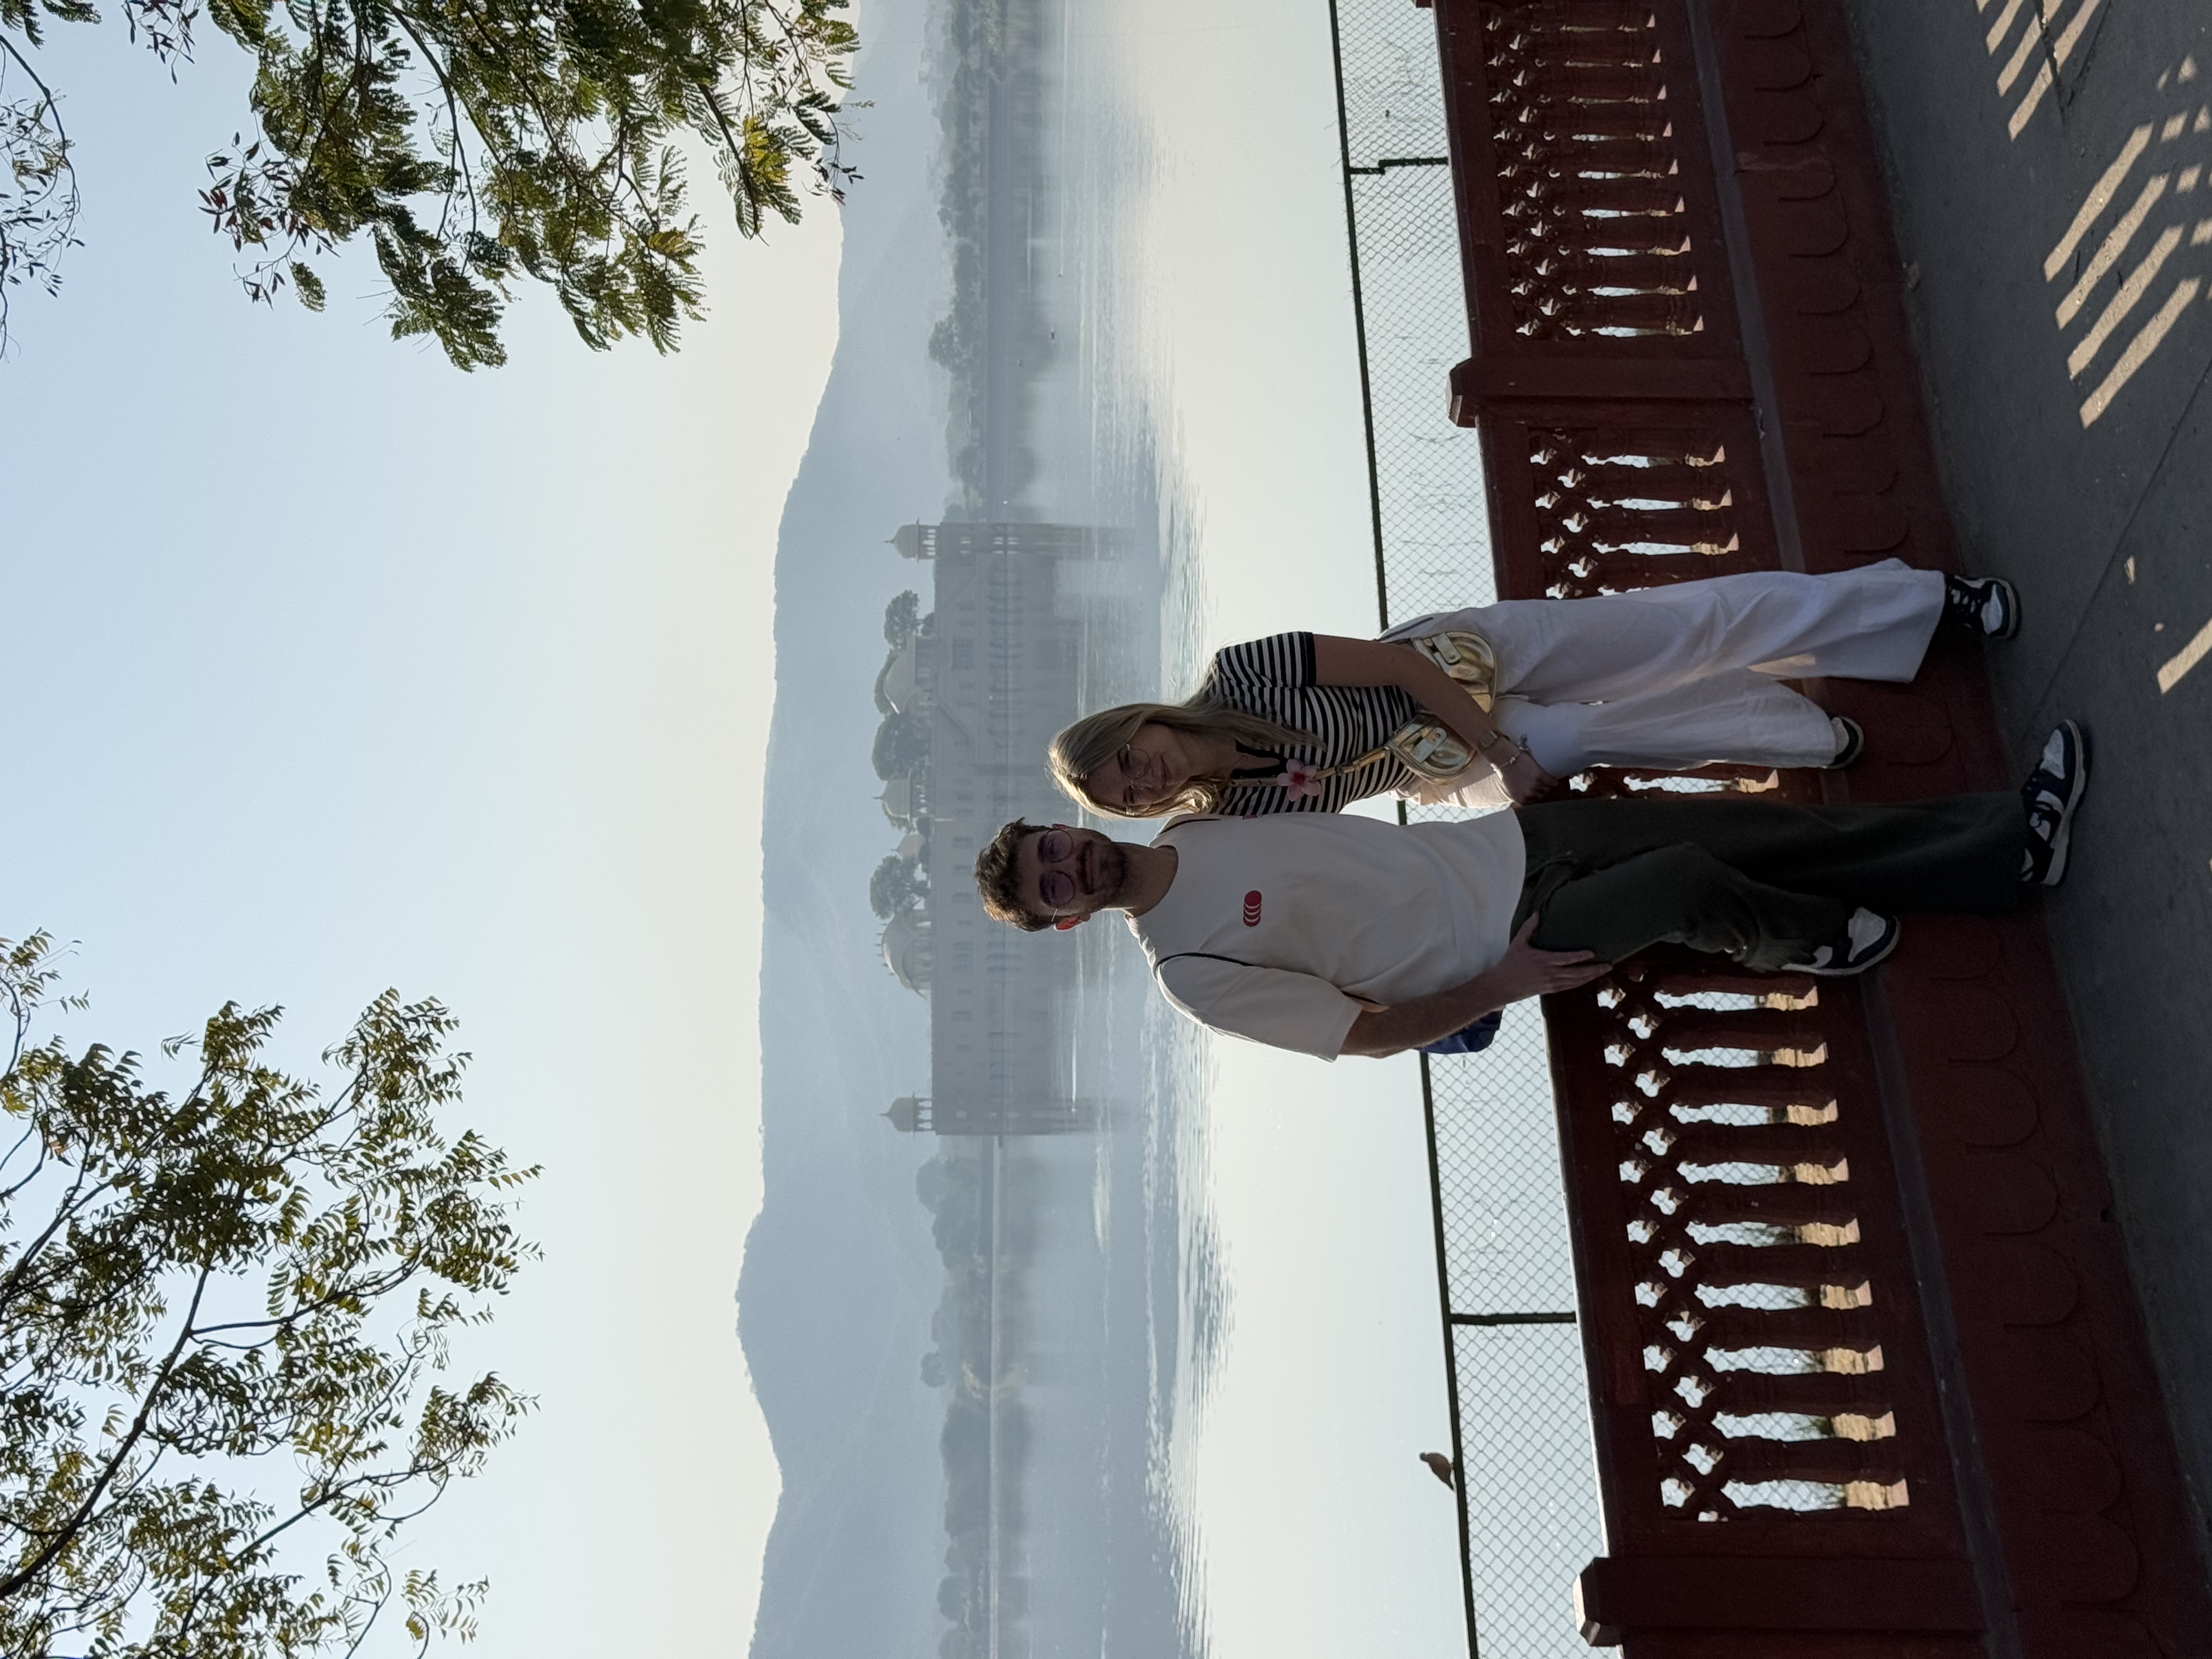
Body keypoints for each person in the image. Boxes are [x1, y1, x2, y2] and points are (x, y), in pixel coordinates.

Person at [977, 724, 2087, 1061]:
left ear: (1075, 829)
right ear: (1068, 917)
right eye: (1052, 886)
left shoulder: (1196, 824)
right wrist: (1500, 979)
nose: (1068, 864)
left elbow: (1324, 790)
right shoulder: (1193, 976)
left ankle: (2002, 846)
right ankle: (1805, 940)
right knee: (1697, 884)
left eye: (1056, 848)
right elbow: (1359, 1036)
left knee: (1765, 826)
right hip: (1517, 933)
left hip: (1514, 841)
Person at [1050, 562, 2020, 817]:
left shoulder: (1241, 672)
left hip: (1464, 665)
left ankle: (1928, 607)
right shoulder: (1237, 811)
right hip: (1445, 761)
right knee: (1586, 742)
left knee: (1689, 627)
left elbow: (1397, 668)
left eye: (1127, 758)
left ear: (1137, 720)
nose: (1144, 778)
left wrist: (1503, 748)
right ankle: (1804, 734)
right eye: (1128, 795)